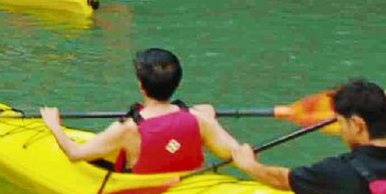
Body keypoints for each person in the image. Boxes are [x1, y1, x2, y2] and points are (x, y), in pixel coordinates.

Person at [234, 79, 386, 194]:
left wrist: (249, 165)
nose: (340, 131)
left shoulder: (338, 170)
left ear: (357, 125)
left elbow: (280, 179)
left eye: (341, 123)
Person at [40, 48, 240, 173]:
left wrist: (55, 125)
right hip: (189, 184)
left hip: (146, 191)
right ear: (177, 83)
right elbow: (237, 154)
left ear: (141, 87)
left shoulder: (126, 129)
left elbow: (75, 154)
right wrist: (211, 121)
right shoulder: (199, 119)